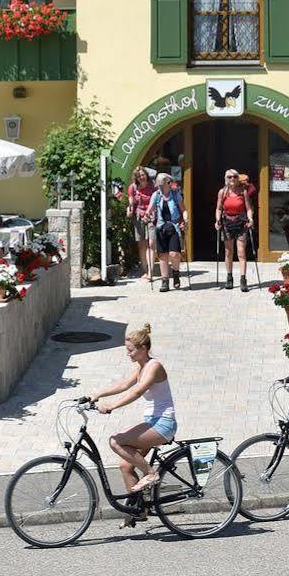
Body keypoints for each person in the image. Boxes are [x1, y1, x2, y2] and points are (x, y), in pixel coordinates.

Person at [91, 322, 176, 503]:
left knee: (116, 441)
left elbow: (137, 391)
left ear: (143, 348)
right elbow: (123, 385)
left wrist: (112, 406)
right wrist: (98, 394)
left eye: (131, 350)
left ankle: (151, 473)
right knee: (126, 466)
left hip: (163, 424)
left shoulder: (154, 366)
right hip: (152, 422)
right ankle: (139, 511)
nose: (128, 354)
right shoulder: (141, 367)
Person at [217, 169, 254, 293]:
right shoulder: (222, 192)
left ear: (237, 178)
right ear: (226, 178)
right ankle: (229, 277)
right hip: (227, 223)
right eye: (229, 177)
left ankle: (243, 280)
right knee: (228, 252)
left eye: (234, 176)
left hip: (241, 222)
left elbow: (249, 208)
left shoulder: (243, 192)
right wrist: (217, 220)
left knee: (241, 252)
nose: (232, 179)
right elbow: (218, 208)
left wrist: (250, 218)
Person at [150, 174, 185, 292]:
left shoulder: (175, 194)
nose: (159, 187)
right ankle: (164, 281)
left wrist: (185, 220)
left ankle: (175, 273)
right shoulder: (156, 195)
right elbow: (150, 208)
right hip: (161, 227)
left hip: (173, 227)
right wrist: (146, 215)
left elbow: (183, 210)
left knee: (174, 253)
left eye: (161, 184)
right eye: (159, 185)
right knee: (162, 255)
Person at [125, 167, 156, 282]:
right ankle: (145, 269)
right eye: (138, 176)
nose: (141, 177)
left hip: (152, 215)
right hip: (138, 216)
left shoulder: (153, 186)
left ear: (146, 175)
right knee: (142, 244)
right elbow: (131, 201)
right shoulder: (133, 187)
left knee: (151, 243)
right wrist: (130, 208)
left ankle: (151, 272)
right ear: (136, 178)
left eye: (142, 175)